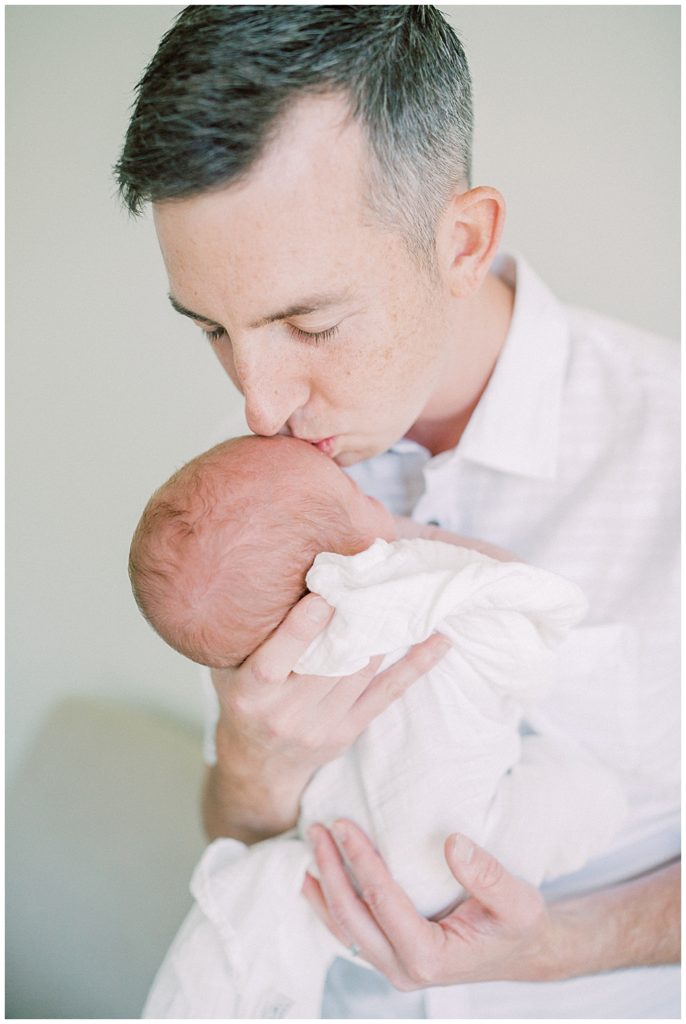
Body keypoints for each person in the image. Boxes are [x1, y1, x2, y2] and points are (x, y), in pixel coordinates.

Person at [115, 6, 679, 1018]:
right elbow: (241, 837)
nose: (258, 403)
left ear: (459, 241)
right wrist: (252, 764)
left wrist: (554, 946)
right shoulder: (256, 503)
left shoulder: (665, 443)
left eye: (308, 323)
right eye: (212, 329)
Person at [129, 432, 625, 1018]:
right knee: (598, 798)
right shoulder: (413, 586)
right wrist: (421, 542)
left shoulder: (276, 660)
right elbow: (529, 612)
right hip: (462, 854)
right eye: (348, 490)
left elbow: (231, 843)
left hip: (349, 874)